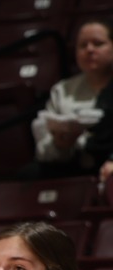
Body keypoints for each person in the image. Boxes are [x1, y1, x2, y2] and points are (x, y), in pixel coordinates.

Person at [31, 19, 111, 173]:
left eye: (98, 43)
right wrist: (60, 145)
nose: (89, 50)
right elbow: (43, 150)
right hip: (71, 164)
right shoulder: (62, 90)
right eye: (82, 45)